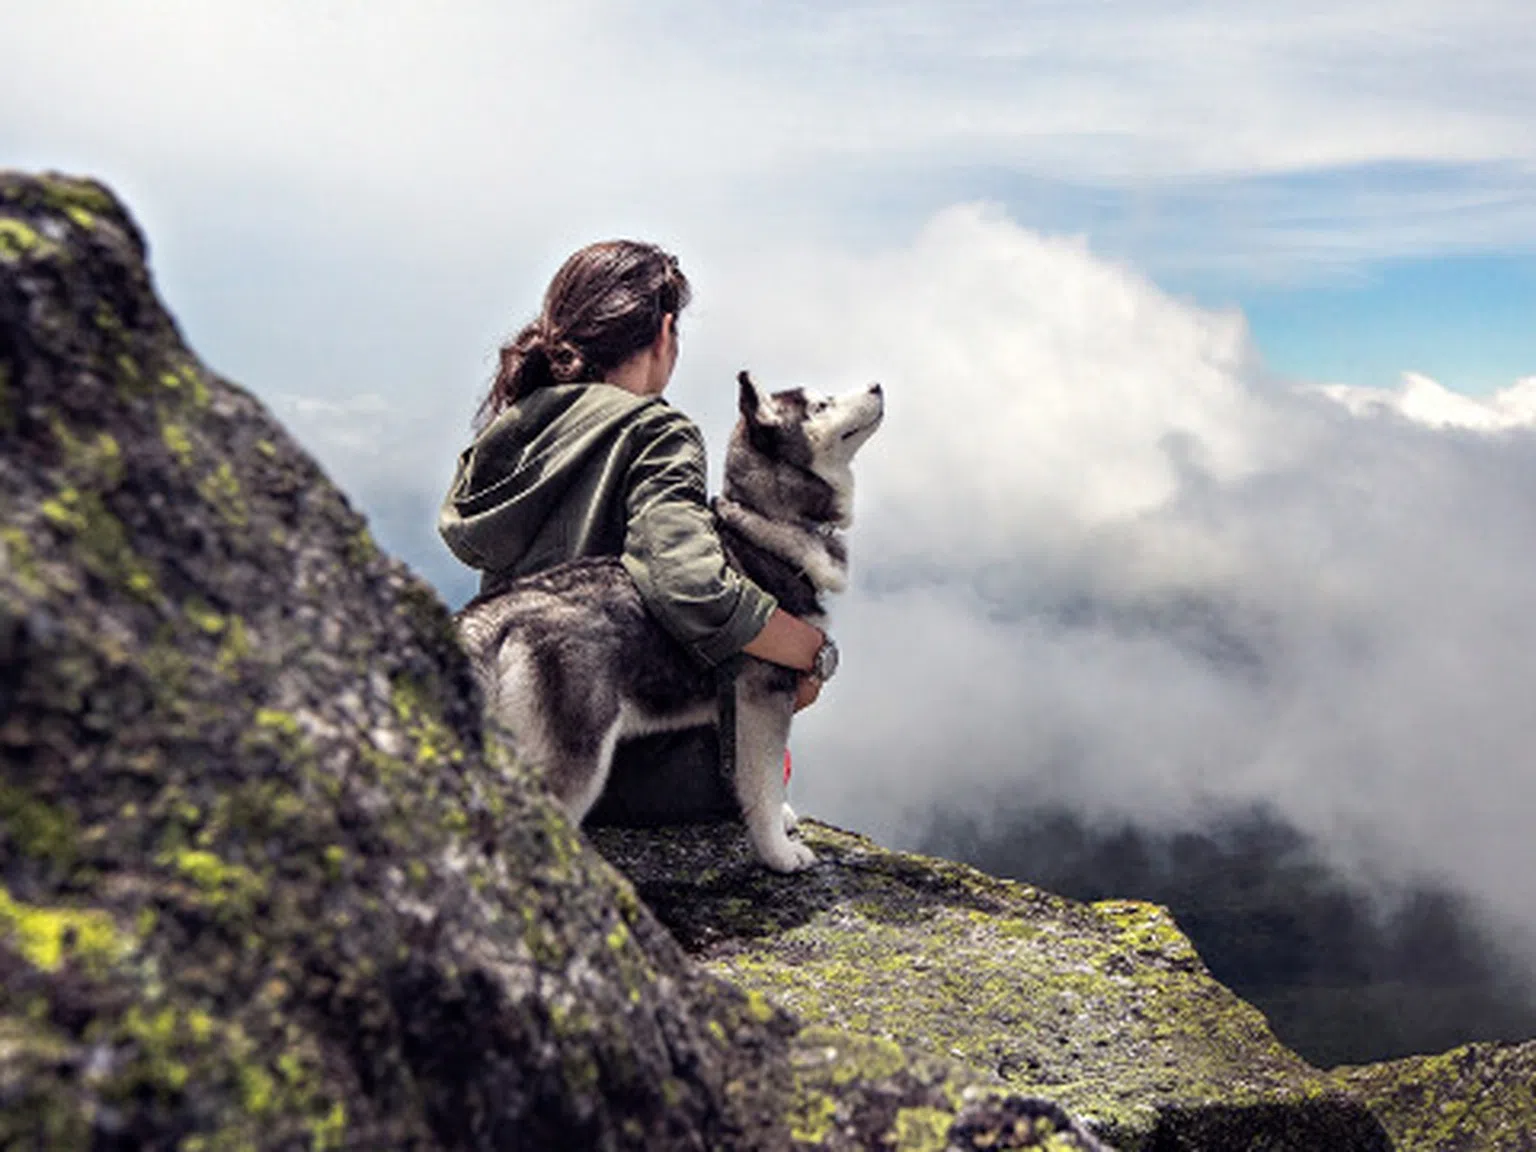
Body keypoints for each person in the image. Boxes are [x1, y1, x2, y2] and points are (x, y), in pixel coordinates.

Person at [438, 240, 829, 823]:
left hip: (513, 749)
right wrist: (808, 650)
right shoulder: (655, 431)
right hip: (626, 770)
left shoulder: (511, 431)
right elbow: (689, 582)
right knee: (765, 732)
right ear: (665, 330)